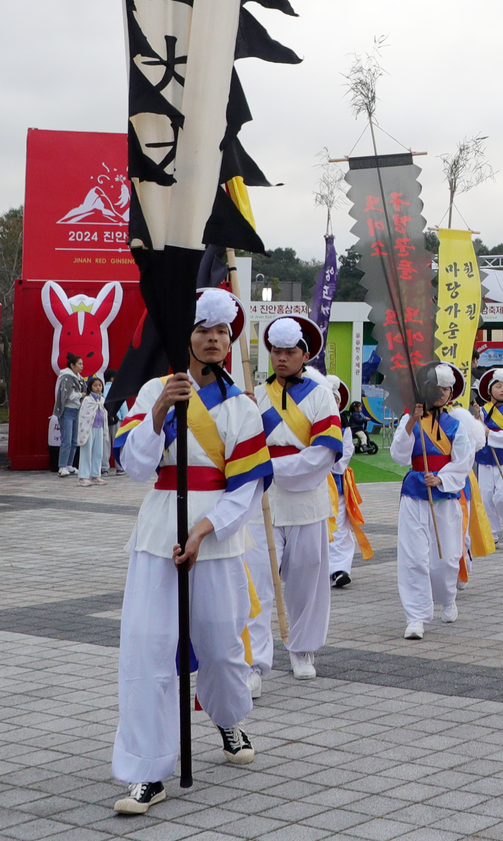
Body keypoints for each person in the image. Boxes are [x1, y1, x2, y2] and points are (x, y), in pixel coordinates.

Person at [109, 287, 271, 815]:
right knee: (147, 647)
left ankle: (228, 719)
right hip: (159, 529)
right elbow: (134, 467)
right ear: (186, 335)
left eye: (221, 331)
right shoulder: (155, 388)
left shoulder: (244, 406)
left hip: (216, 537)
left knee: (223, 648)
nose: (212, 338)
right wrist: (157, 413)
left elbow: (246, 486)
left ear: (230, 340)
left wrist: (203, 530)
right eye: (202, 329)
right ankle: (148, 769)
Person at [246, 315, 343, 685]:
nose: (282, 358)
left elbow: (323, 454)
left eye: (289, 351)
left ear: (304, 354)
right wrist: (262, 469)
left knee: (306, 581)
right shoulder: (254, 396)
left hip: (307, 501)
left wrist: (270, 464)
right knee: (257, 583)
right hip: (262, 501)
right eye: (276, 351)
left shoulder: (321, 396)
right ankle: (253, 664)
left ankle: (303, 649)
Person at [391, 363, 484, 638]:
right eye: (438, 388)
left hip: (444, 494)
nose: (442, 394)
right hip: (414, 492)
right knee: (413, 557)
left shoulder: (456, 425)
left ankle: (448, 596)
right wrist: (411, 421)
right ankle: (416, 616)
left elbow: (464, 461)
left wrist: (442, 478)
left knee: (445, 559)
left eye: (447, 389)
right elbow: (398, 454)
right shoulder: (411, 419)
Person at [326, 375, 371, 588]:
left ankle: (339, 569)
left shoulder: (344, 425)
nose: (332, 403)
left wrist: (329, 465)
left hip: (336, 482)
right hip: (313, 484)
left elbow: (345, 453)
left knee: (341, 526)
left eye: (335, 399)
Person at [475, 368, 503, 550]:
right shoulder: (481, 412)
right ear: (489, 390)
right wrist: (479, 427)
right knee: (486, 497)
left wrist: (489, 433)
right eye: (499, 386)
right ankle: (492, 531)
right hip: (485, 459)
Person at [54, 354, 86, 477]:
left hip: (76, 410)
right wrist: (81, 395)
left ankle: (69, 464)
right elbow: (69, 396)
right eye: (80, 364)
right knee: (66, 439)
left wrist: (81, 395)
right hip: (67, 410)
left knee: (74, 440)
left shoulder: (79, 378)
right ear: (72, 365)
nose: (82, 366)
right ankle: (62, 466)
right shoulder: (66, 377)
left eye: (82, 364)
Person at [76, 375, 108, 486]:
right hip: (89, 428)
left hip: (99, 427)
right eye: (95, 385)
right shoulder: (88, 400)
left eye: (100, 385)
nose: (98, 387)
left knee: (98, 452)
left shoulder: (102, 400)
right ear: (91, 387)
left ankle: (96, 475)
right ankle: (83, 476)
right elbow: (84, 415)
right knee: (86, 452)